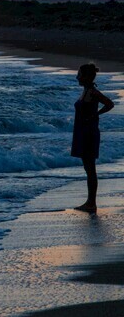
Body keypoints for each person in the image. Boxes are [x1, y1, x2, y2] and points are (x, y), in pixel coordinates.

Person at [71, 63, 115, 212]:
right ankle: (90, 202)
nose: (77, 77)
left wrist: (96, 114)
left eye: (79, 74)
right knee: (88, 168)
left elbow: (109, 104)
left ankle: (91, 203)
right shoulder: (86, 91)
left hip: (88, 133)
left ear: (86, 77)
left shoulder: (92, 92)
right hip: (83, 132)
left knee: (90, 169)